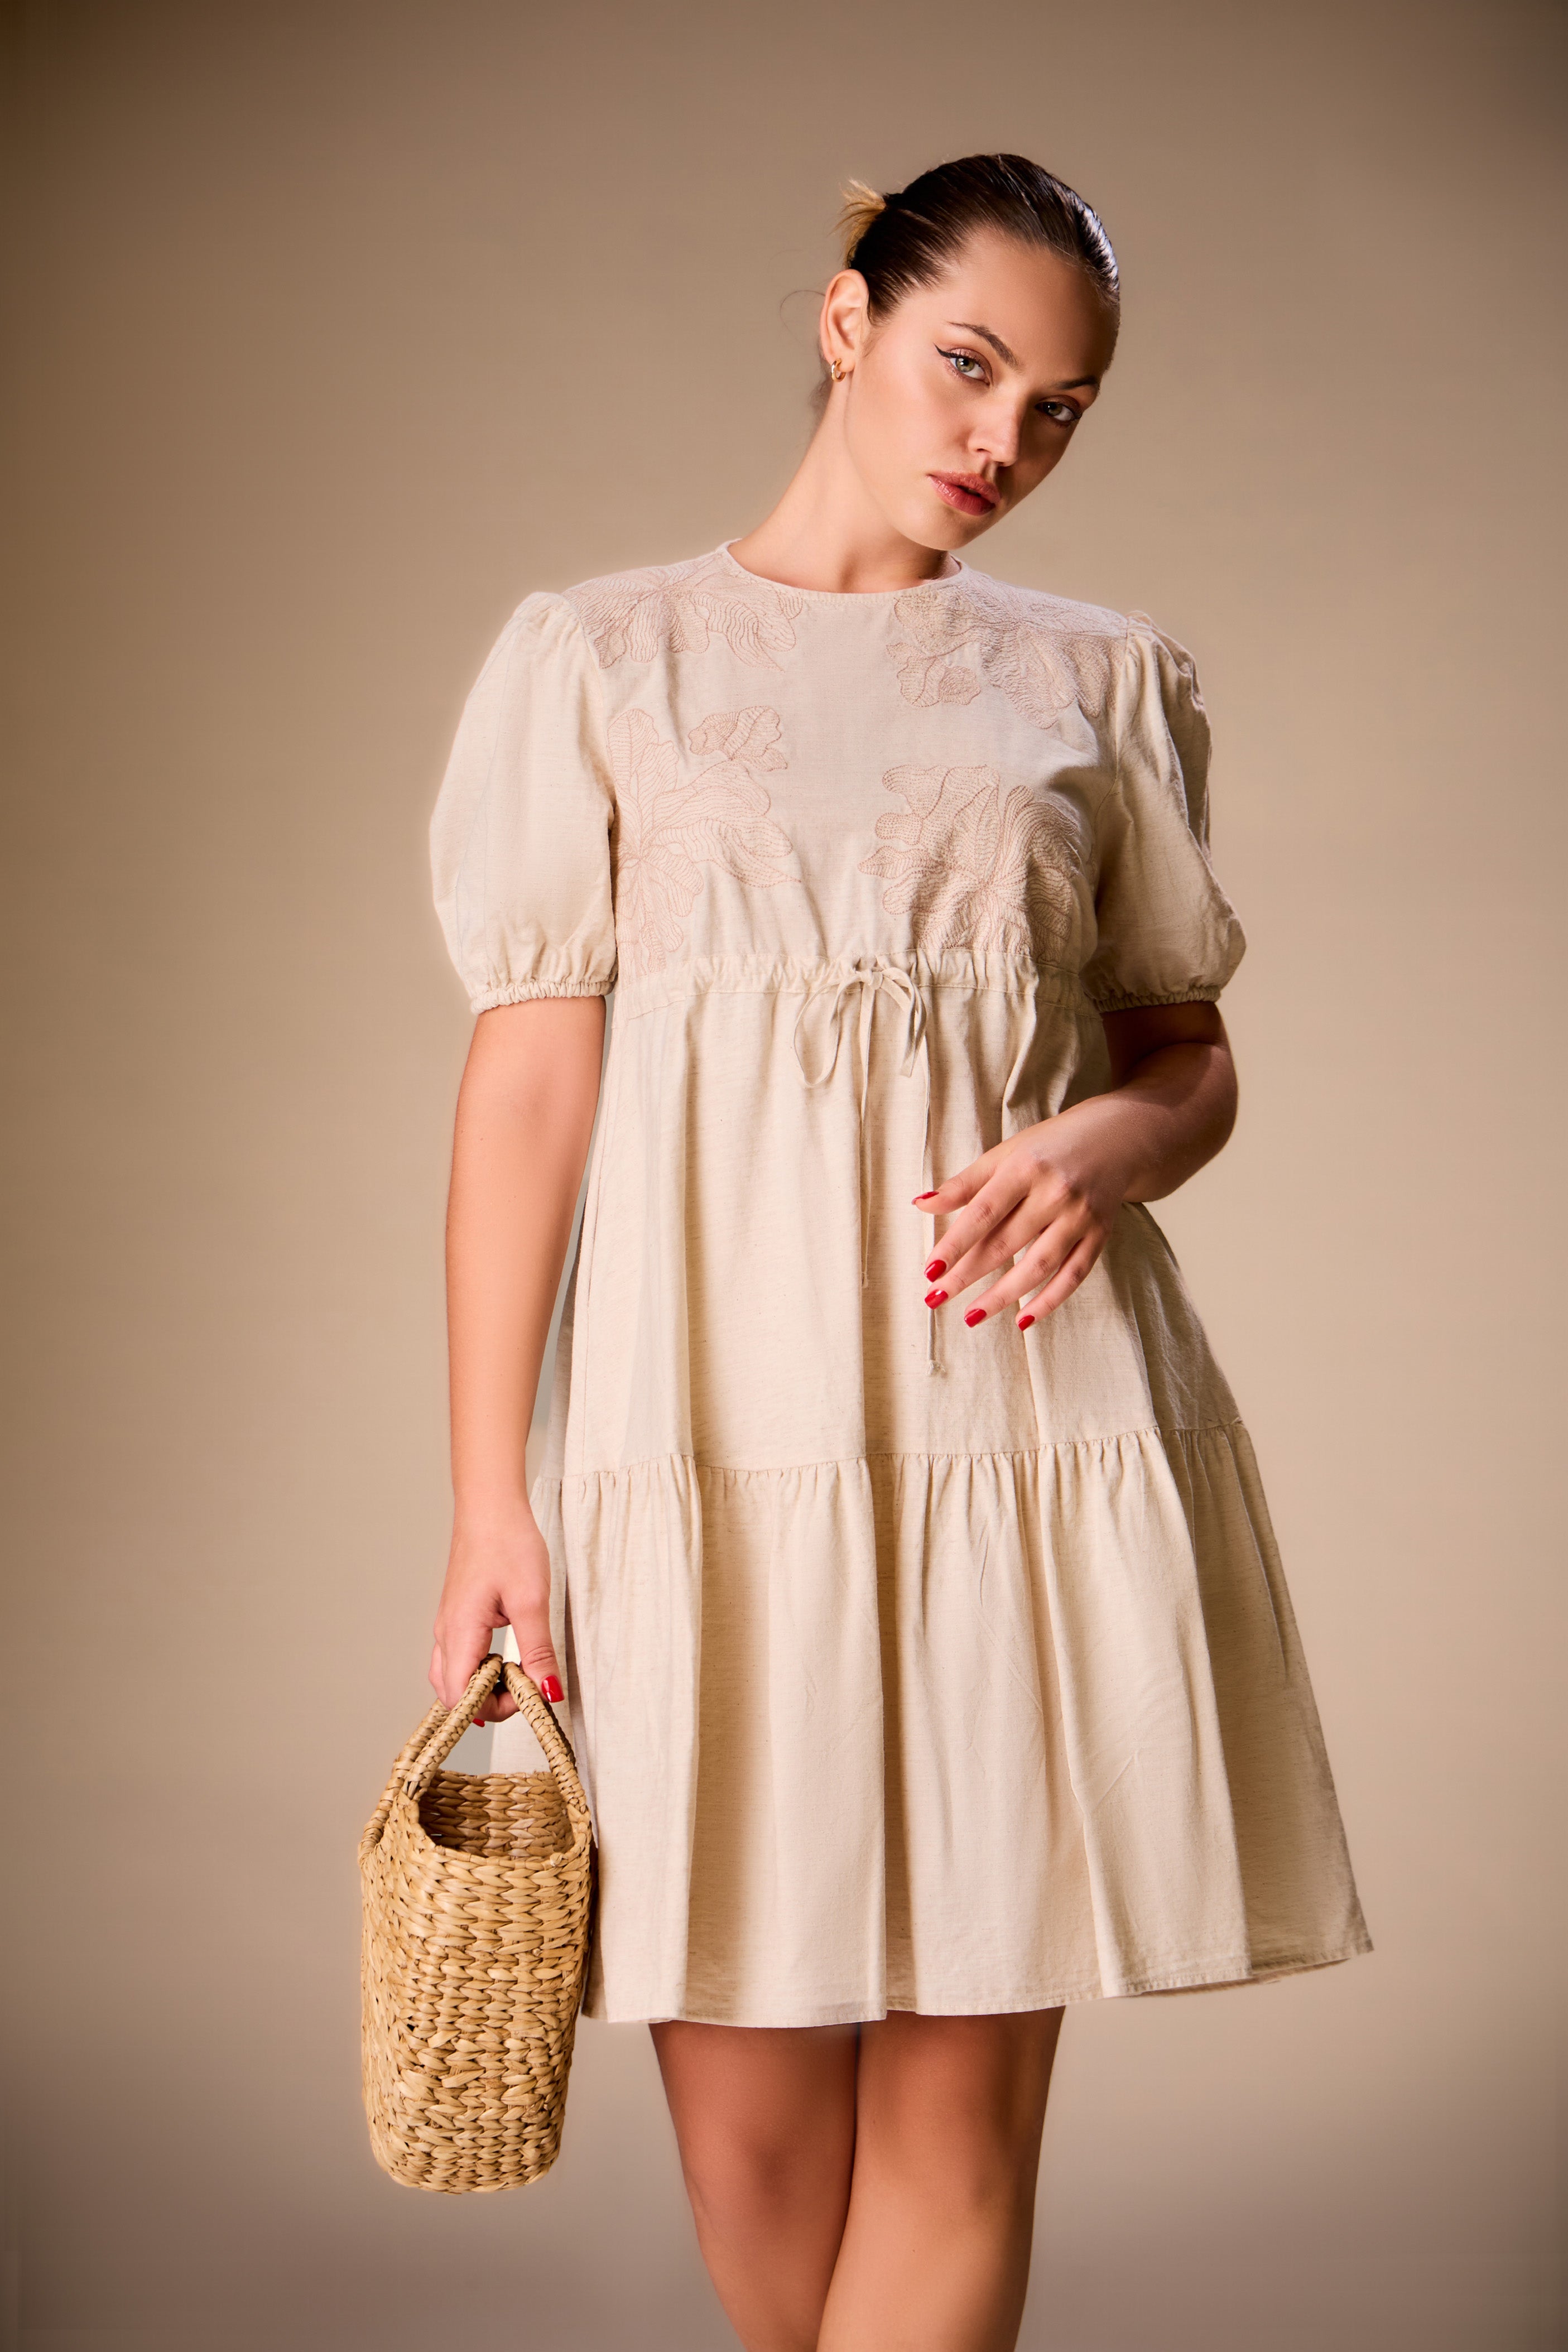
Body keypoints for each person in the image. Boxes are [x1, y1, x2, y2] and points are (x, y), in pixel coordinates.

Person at [426, 152, 1371, 2352]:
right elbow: (530, 1087)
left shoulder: (1098, 678)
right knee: (751, 2153)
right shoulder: (601, 660)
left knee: (958, 2132)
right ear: (847, 319)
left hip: (1017, 1443)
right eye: (968, 365)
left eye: (1058, 410)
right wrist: (490, 1496)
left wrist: (1112, 1147)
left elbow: (1186, 1057)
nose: (1002, 439)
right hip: (703, 1442)